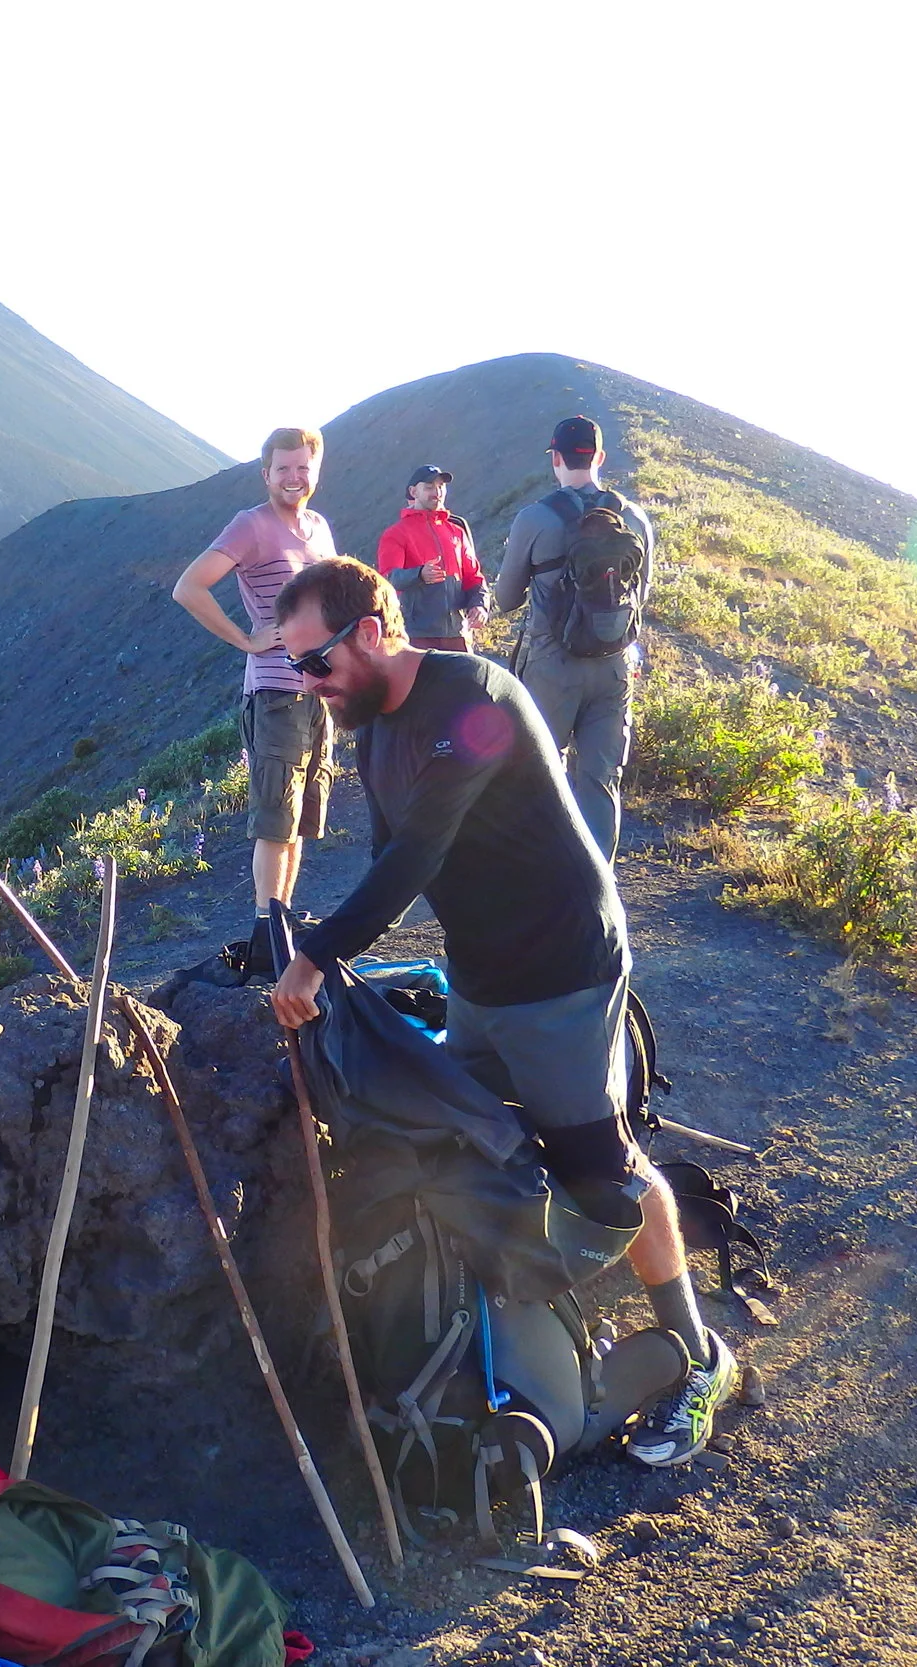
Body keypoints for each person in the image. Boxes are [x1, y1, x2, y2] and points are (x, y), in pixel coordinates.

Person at [265, 557, 736, 1469]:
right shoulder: (369, 727)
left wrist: (318, 958)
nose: (306, 683)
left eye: (313, 662)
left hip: (561, 967)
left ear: (370, 631)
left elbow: (416, 857)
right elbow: (385, 859)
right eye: (292, 667)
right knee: (477, 1142)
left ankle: (699, 1354)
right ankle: (541, 1342)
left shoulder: (476, 701)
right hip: (482, 973)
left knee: (603, 1166)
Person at [171, 427, 339, 971]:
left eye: (302, 467)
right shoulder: (252, 526)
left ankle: (283, 921)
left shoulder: (318, 529)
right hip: (275, 693)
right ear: (265, 473)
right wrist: (247, 639)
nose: (294, 477)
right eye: (283, 468)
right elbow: (190, 587)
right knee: (274, 819)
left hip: (319, 695)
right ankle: (267, 930)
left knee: (299, 821)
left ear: (316, 470)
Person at [493, 415, 657, 861]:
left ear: (557, 459)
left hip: (551, 665)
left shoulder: (536, 517)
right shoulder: (636, 519)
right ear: (600, 457)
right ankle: (597, 882)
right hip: (615, 666)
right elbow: (641, 595)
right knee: (602, 779)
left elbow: (506, 600)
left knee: (539, 771)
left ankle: (539, 875)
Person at [374, 464, 486, 652]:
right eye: (429, 487)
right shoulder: (395, 534)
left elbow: (474, 577)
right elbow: (385, 581)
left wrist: (480, 605)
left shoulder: (457, 532)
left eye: (441, 486)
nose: (437, 492)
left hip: (458, 636)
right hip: (416, 637)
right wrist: (419, 574)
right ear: (413, 492)